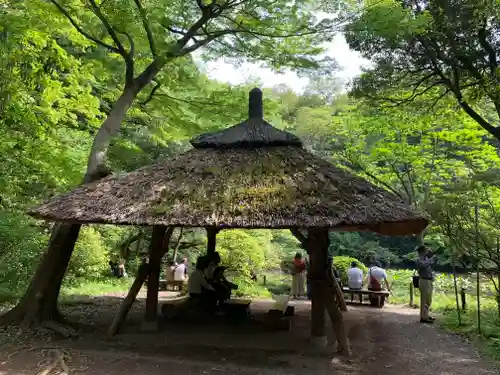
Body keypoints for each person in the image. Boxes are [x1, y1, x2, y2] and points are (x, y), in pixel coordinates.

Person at [416, 245, 436, 323]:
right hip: (423, 280)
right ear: (422, 251)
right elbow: (423, 265)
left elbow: (429, 266)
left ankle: (426, 315)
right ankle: (423, 317)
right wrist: (431, 260)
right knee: (424, 299)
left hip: (429, 280)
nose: (427, 251)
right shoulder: (418, 260)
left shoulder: (426, 259)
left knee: (428, 299)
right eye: (426, 250)